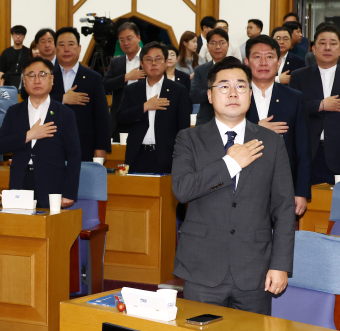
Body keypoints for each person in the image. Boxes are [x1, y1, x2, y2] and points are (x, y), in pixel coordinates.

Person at [172, 57, 294, 315]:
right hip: (202, 267)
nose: (233, 93)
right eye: (224, 86)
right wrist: (230, 163)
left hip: (255, 269)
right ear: (209, 95)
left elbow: (283, 209)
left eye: (240, 86)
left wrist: (280, 265)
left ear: (250, 94)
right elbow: (182, 190)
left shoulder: (271, 142)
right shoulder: (189, 139)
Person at [0, 57, 81, 208]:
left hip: (52, 184)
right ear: (24, 81)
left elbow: (74, 155)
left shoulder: (65, 114)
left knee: (50, 230)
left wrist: (69, 192)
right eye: (31, 75)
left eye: (42, 74)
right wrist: (30, 135)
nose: (37, 80)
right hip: (20, 182)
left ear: (52, 79)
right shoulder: (14, 111)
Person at [289, 24, 340, 185]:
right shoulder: (299, 76)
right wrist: (320, 105)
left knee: (339, 204)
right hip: (307, 152)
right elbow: (292, 110)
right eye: (322, 43)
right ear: (313, 49)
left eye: (333, 43)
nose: (327, 47)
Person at [244, 36, 310, 216]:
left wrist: (301, 191)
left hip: (283, 184)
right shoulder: (236, 96)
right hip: (243, 182)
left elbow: (303, 149)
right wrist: (257, 128)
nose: (263, 62)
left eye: (270, 57)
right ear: (247, 62)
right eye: (257, 57)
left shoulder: (294, 97)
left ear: (279, 61)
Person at [117, 42, 191, 173]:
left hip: (167, 157)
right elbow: (121, 118)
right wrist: (145, 107)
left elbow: (183, 129)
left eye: (158, 59)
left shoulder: (178, 91)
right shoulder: (132, 90)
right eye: (148, 60)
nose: (154, 63)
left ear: (165, 61)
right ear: (141, 64)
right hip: (137, 155)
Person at [45, 27, 111, 162]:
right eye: (61, 45)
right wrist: (62, 99)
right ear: (55, 49)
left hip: (84, 145)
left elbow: (102, 116)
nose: (66, 49)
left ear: (79, 48)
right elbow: (32, 101)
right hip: (50, 144)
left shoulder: (94, 78)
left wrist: (101, 148)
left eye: (71, 44)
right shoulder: (46, 75)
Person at [103, 22, 144, 141]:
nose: (125, 43)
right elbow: (104, 85)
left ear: (138, 38)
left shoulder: (148, 59)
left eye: (129, 38)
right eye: (121, 40)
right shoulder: (116, 62)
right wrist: (126, 77)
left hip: (143, 116)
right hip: (119, 119)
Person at [192, 28, 231, 125]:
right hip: (206, 121)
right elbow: (194, 95)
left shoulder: (237, 69)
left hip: (231, 120)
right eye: (213, 43)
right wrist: (218, 91)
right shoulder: (200, 70)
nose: (217, 47)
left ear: (228, 45)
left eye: (221, 43)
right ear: (207, 46)